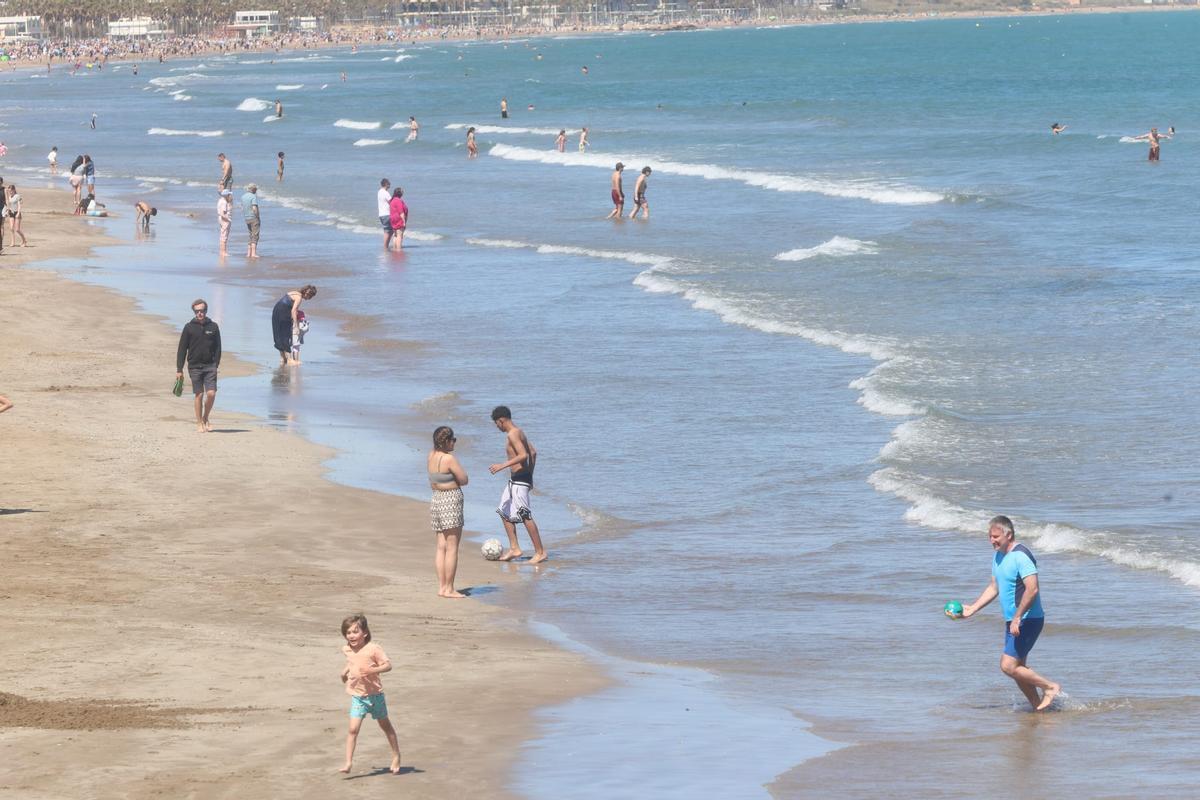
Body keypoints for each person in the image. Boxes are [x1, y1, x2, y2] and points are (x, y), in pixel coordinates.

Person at [960, 515, 1061, 712]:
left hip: (1028, 619)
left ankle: (1050, 687)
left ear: (1009, 535)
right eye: (990, 536)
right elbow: (994, 587)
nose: (992, 540)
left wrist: (1017, 618)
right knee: (1018, 670)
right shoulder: (998, 556)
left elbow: (1032, 589)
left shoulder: (1021, 555)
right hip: (1013, 621)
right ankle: (1040, 709)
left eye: (996, 536)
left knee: (1008, 666)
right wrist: (973, 608)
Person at [338, 615, 402, 775]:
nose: (351, 636)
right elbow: (352, 661)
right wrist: (344, 672)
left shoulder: (373, 649)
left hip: (375, 697)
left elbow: (388, 665)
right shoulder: (347, 649)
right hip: (358, 697)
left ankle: (396, 755)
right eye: (348, 632)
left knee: (385, 726)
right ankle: (348, 763)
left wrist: (372, 670)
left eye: (355, 632)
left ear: (365, 633)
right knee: (353, 729)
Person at [488, 406, 547, 564]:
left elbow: (524, 455)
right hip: (519, 479)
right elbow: (533, 453)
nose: (497, 427)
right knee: (504, 509)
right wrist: (530, 476)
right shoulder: (519, 431)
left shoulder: (513, 434)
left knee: (525, 514)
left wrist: (501, 465)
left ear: (501, 420)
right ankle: (514, 548)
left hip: (520, 480)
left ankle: (540, 552)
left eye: (496, 424)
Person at [428, 426, 469, 598]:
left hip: (436, 499)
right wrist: (454, 483)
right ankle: (449, 588)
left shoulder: (431, 456)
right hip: (450, 500)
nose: (454, 443)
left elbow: (433, 481)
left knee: (441, 547)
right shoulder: (449, 459)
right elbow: (464, 479)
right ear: (446, 441)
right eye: (453, 440)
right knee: (452, 547)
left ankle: (442, 587)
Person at [175, 298, 222, 433]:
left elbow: (218, 347)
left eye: (202, 311)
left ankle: (205, 417)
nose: (199, 313)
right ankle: (199, 422)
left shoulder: (213, 327)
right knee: (199, 394)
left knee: (211, 394)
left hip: (210, 366)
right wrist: (179, 369)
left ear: (206, 311)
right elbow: (182, 349)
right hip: (194, 366)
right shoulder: (188, 327)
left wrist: (216, 364)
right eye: (197, 311)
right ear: (194, 312)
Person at [272, 285, 317, 366]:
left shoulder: (294, 292)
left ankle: (283, 358)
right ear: (307, 294)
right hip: (283, 312)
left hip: (276, 310)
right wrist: (296, 325)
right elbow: (293, 311)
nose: (309, 298)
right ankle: (289, 360)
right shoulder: (299, 298)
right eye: (310, 296)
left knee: (278, 333)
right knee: (285, 334)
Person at [242, 183, 260, 258]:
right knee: (255, 235)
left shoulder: (243, 196)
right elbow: (254, 208)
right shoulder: (253, 196)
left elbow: (242, 208)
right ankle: (253, 253)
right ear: (253, 189)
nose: (256, 190)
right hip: (253, 217)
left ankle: (248, 253)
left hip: (247, 218)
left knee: (250, 235)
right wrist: (257, 216)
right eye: (256, 189)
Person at [376, 178, 393, 249]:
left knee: (388, 231)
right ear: (386, 184)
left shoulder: (379, 192)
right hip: (387, 214)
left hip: (381, 214)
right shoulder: (386, 193)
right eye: (389, 183)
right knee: (388, 231)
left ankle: (386, 246)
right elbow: (392, 202)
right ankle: (385, 246)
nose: (390, 184)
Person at [217, 188, 233, 256]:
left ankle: (222, 251)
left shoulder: (220, 200)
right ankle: (223, 252)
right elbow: (223, 213)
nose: (230, 196)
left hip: (221, 219)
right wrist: (228, 219)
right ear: (226, 195)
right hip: (224, 220)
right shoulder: (224, 202)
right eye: (229, 194)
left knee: (222, 235)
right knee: (224, 236)